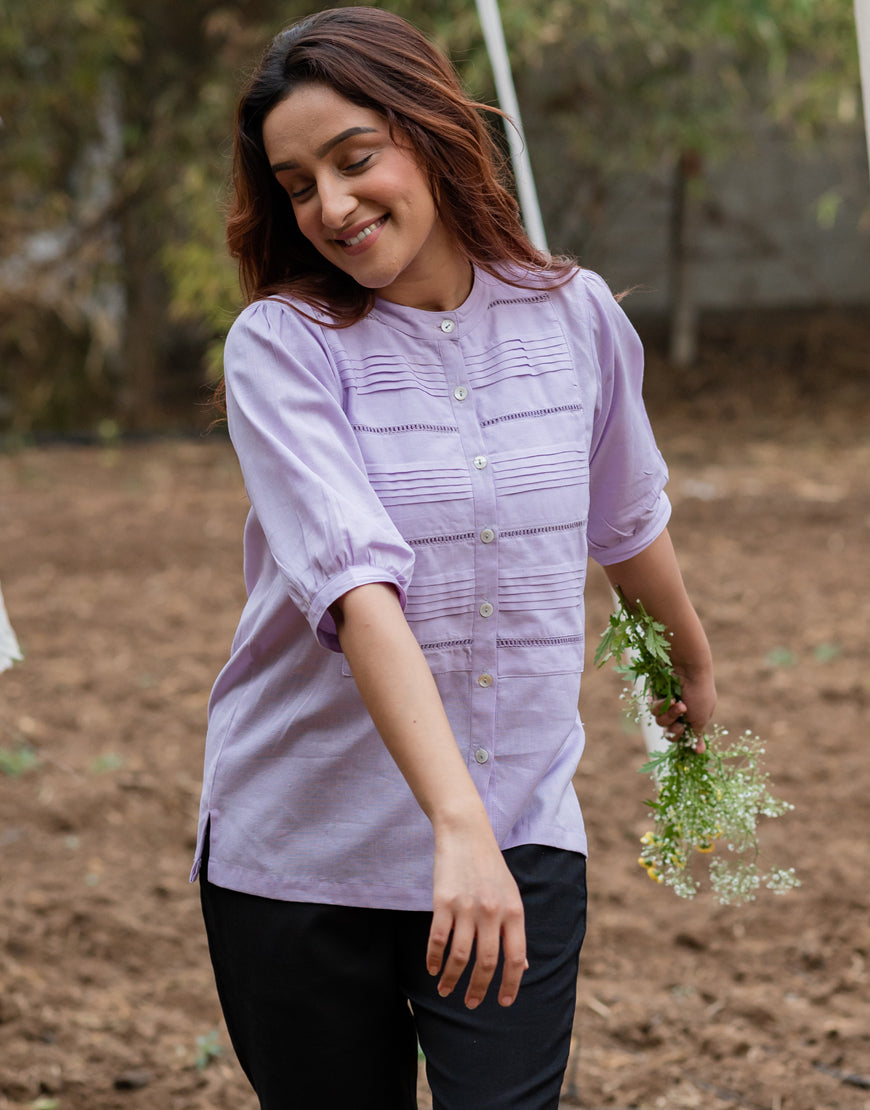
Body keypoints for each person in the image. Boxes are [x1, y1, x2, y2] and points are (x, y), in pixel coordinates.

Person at [191, 8, 716, 1108]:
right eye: (297, 185)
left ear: (429, 130)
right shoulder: (282, 349)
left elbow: (625, 520)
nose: (331, 206)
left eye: (355, 158)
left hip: (519, 836)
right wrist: (453, 823)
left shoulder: (577, 318)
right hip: (303, 858)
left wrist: (689, 671)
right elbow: (356, 587)